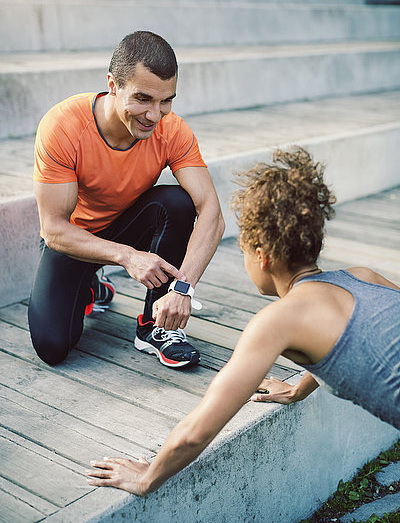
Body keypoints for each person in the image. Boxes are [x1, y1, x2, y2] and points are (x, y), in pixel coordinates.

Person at [86, 147, 400, 495]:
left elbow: (199, 429)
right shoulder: (364, 277)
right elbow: (358, 338)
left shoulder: (278, 320)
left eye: (244, 252)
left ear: (262, 257)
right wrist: (298, 389)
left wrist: (146, 478)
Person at [29, 31, 225, 368]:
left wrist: (182, 288)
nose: (154, 114)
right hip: (75, 239)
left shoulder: (172, 130)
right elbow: (54, 230)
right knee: (52, 347)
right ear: (113, 84)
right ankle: (93, 286)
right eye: (144, 98)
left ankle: (155, 326)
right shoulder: (63, 125)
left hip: (126, 225)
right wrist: (128, 257)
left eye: (167, 100)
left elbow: (212, 212)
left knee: (177, 202)